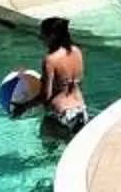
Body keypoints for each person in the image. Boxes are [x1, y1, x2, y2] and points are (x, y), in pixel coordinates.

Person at [35, 16, 89, 145]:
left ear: (52, 36)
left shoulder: (50, 60)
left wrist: (24, 106)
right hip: (80, 110)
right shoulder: (77, 51)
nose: (40, 37)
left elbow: (45, 96)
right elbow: (79, 83)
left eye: (43, 34)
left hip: (59, 116)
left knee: (48, 147)